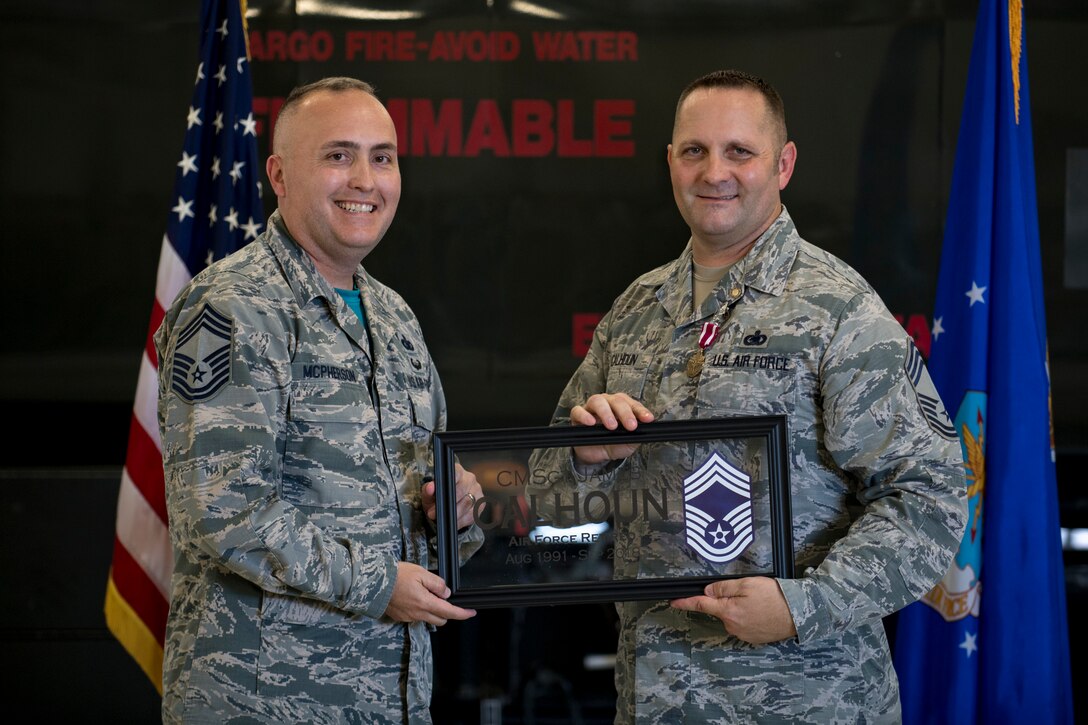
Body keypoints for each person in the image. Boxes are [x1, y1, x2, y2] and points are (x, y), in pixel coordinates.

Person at [532, 69, 967, 722]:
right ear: (671, 161)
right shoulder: (636, 310)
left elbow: (930, 499)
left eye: (740, 151)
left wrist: (801, 605)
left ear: (783, 164)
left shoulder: (838, 310)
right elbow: (544, 492)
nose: (715, 172)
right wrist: (583, 457)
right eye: (695, 150)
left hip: (807, 699)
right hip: (656, 699)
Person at [155, 77, 483, 724]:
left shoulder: (394, 318)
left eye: (382, 157)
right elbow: (220, 511)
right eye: (338, 156)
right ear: (278, 174)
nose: (366, 178)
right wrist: (378, 584)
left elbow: (418, 514)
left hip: (390, 697)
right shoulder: (231, 307)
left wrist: (456, 510)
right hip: (264, 698)